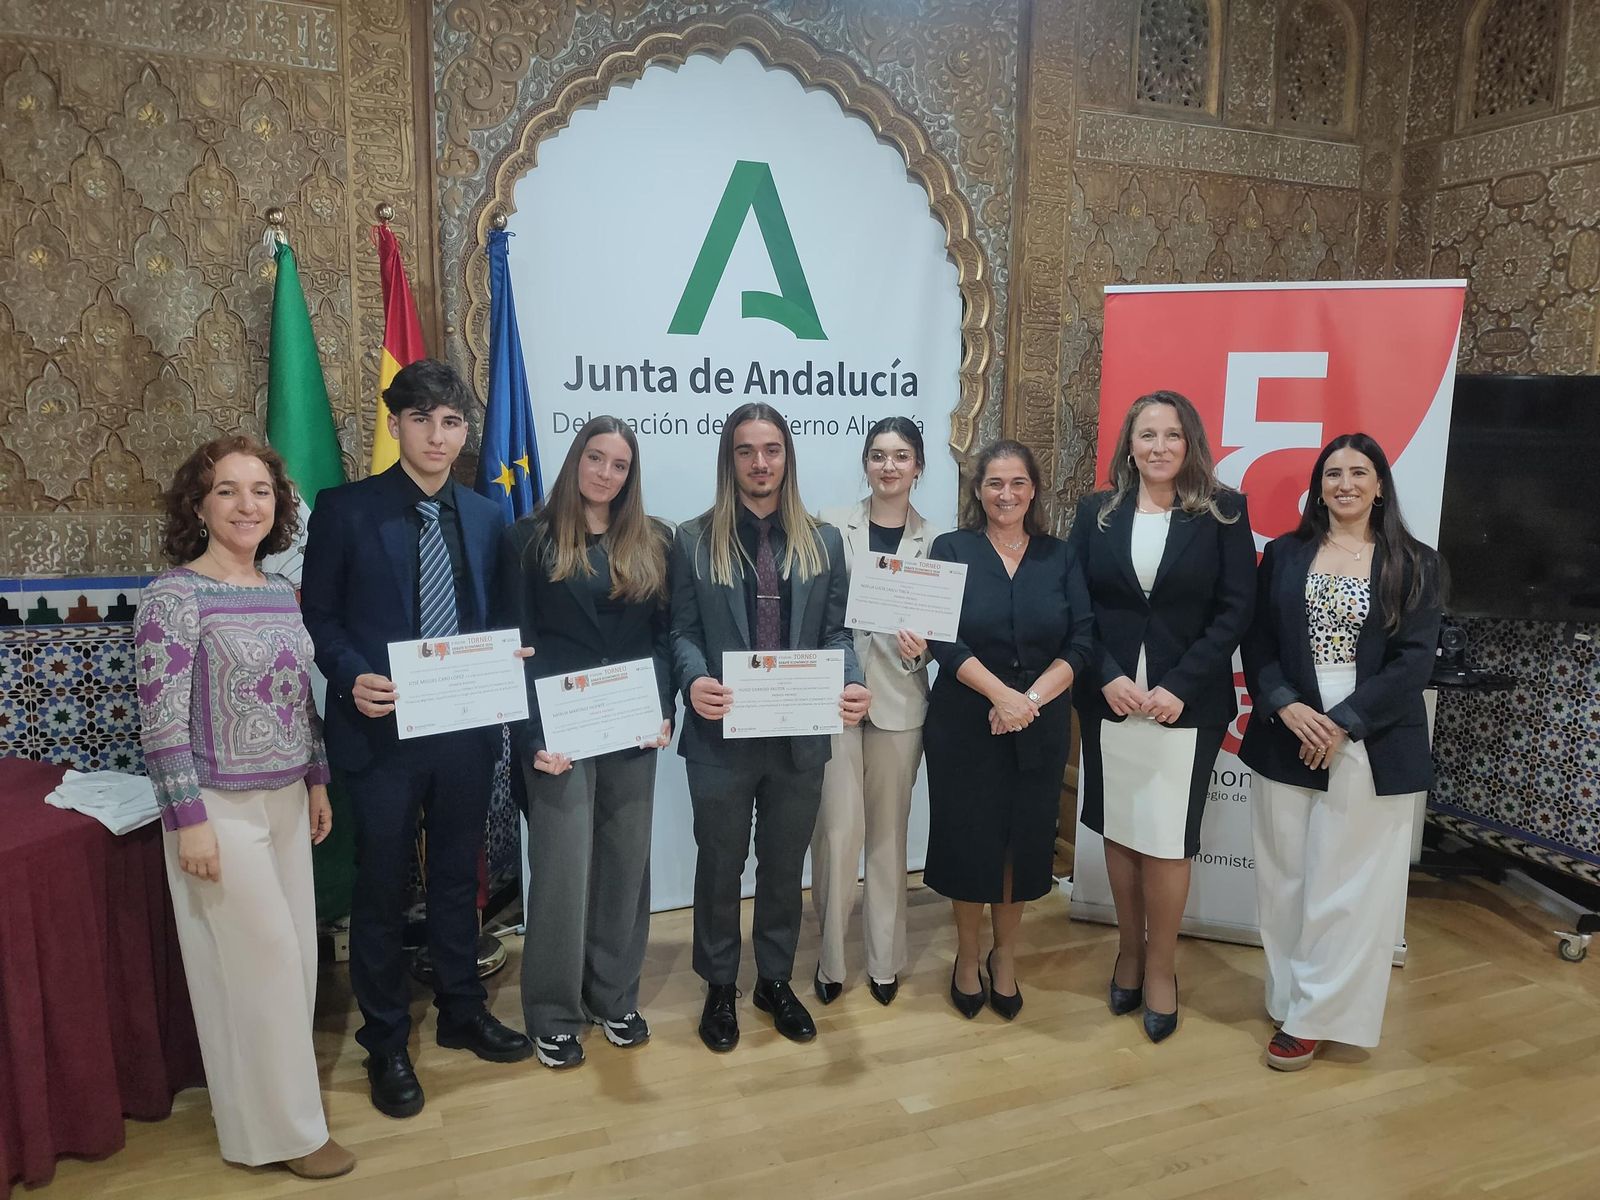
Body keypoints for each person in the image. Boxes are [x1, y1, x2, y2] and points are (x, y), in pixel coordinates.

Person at [301, 358, 534, 1119]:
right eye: (423, 418)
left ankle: (463, 1010)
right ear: (397, 424)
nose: (439, 434)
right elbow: (321, 619)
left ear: (466, 433)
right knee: (381, 886)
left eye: (453, 421)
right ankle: (387, 1040)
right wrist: (349, 676)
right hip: (380, 733)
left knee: (457, 880)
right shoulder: (345, 509)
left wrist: (511, 657)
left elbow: (499, 618)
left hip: (464, 732)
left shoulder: (487, 515)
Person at [134, 436, 354, 1179]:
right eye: (227, 490)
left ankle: (255, 1132)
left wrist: (317, 778)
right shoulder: (174, 595)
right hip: (217, 808)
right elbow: (159, 717)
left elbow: (300, 699)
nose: (246, 505)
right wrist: (186, 818)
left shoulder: (274, 591)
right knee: (259, 971)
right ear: (198, 504)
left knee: (293, 968)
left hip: (288, 797)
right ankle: (295, 1136)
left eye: (260, 491)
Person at [670, 401, 869, 1051]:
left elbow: (836, 631)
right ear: (730, 461)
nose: (761, 463)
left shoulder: (824, 540)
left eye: (772, 450)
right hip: (720, 739)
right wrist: (694, 679)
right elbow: (681, 632)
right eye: (747, 451)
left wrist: (853, 680)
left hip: (799, 736)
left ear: (788, 457)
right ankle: (721, 985)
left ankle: (774, 980)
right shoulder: (693, 540)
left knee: (784, 868)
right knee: (720, 866)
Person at [1240, 432, 1442, 1071]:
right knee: (1285, 878)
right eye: (1333, 473)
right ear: (1318, 485)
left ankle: (1316, 1017)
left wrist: (1342, 724)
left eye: (1359, 472)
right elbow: (1258, 642)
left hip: (1371, 737)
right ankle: (1290, 994)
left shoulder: (1416, 562)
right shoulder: (1284, 553)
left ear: (1380, 484)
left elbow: (1414, 662)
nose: (1346, 483)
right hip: (1286, 727)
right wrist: (1286, 704)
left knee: (1346, 887)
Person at [1066, 390, 1255, 1043]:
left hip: (1185, 703)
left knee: (1169, 839)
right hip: (1112, 699)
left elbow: (1235, 609)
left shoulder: (1225, 512)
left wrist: (1180, 683)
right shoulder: (1097, 513)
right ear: (1129, 444)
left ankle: (1163, 971)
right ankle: (1129, 952)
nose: (1158, 446)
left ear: (1190, 442)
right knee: (1120, 830)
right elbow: (1078, 604)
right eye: (1146, 434)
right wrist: (1108, 674)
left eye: (1171, 435)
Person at [497, 416, 674, 1069]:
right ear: (575, 462)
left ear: (631, 475)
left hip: (633, 727)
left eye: (619, 464)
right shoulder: (528, 540)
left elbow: (661, 638)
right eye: (595, 458)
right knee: (565, 875)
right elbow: (513, 645)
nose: (605, 473)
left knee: (626, 866)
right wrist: (531, 737)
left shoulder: (656, 542)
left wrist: (665, 712)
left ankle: (614, 995)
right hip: (558, 735)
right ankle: (551, 1011)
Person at [925, 440, 1093, 1021]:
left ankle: (1005, 957)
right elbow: (941, 637)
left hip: (1039, 723)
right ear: (978, 491)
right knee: (969, 842)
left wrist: (1029, 700)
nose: (1006, 494)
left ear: (1034, 491)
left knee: (1021, 846)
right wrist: (1001, 695)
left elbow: (1083, 640)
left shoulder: (1060, 556)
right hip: (965, 722)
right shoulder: (952, 548)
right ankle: (967, 958)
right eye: (995, 483)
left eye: (1018, 483)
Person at [811, 417, 943, 1008]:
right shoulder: (827, 527)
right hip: (836, 701)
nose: (889, 466)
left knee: (888, 838)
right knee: (837, 835)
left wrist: (926, 651)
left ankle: (885, 961)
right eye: (878, 455)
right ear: (865, 463)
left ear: (918, 466)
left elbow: (947, 632)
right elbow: (813, 614)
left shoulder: (938, 542)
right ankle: (832, 961)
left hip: (901, 700)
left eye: (901, 456)